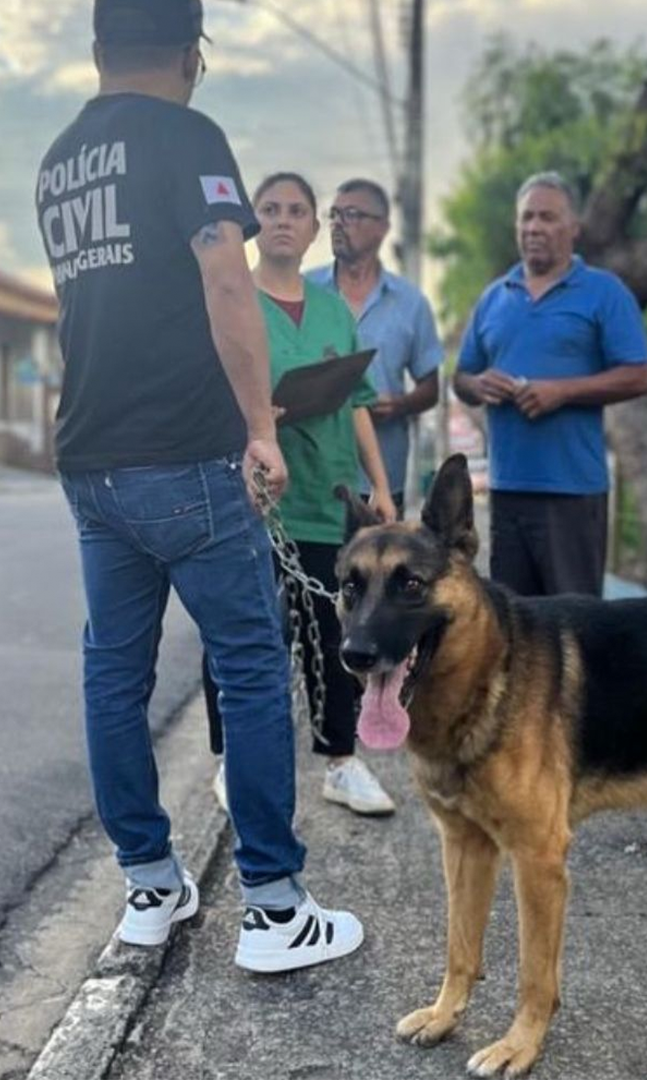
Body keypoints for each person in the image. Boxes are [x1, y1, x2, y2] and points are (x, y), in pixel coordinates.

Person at [33, 0, 361, 973]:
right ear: (193, 55)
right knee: (253, 666)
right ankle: (273, 908)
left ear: (97, 51)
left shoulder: (58, 161)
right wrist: (262, 427)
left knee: (113, 676)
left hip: (90, 459)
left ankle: (149, 884)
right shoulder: (187, 134)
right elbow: (228, 277)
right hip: (185, 455)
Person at [205, 172, 401, 818]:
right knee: (245, 632)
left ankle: (341, 760)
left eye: (297, 210)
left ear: (317, 227)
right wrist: (262, 412)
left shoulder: (331, 312)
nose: (284, 219)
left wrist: (379, 486)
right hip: (254, 501)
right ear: (254, 224)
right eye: (270, 209)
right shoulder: (233, 303)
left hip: (326, 496)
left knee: (337, 632)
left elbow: (359, 405)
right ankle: (232, 759)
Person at [452, 171, 647, 598]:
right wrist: (479, 385)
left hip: (573, 491)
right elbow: (461, 378)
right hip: (506, 489)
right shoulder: (494, 297)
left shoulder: (604, 292)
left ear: (573, 228)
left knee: (576, 623)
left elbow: (638, 375)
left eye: (547, 217)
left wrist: (562, 392)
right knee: (512, 623)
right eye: (526, 218)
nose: (534, 228)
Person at [305, 178, 443, 519]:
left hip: (381, 479)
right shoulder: (303, 290)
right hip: (311, 474)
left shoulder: (410, 302)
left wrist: (399, 405)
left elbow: (431, 388)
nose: (337, 223)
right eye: (334, 214)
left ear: (382, 228)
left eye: (350, 214)